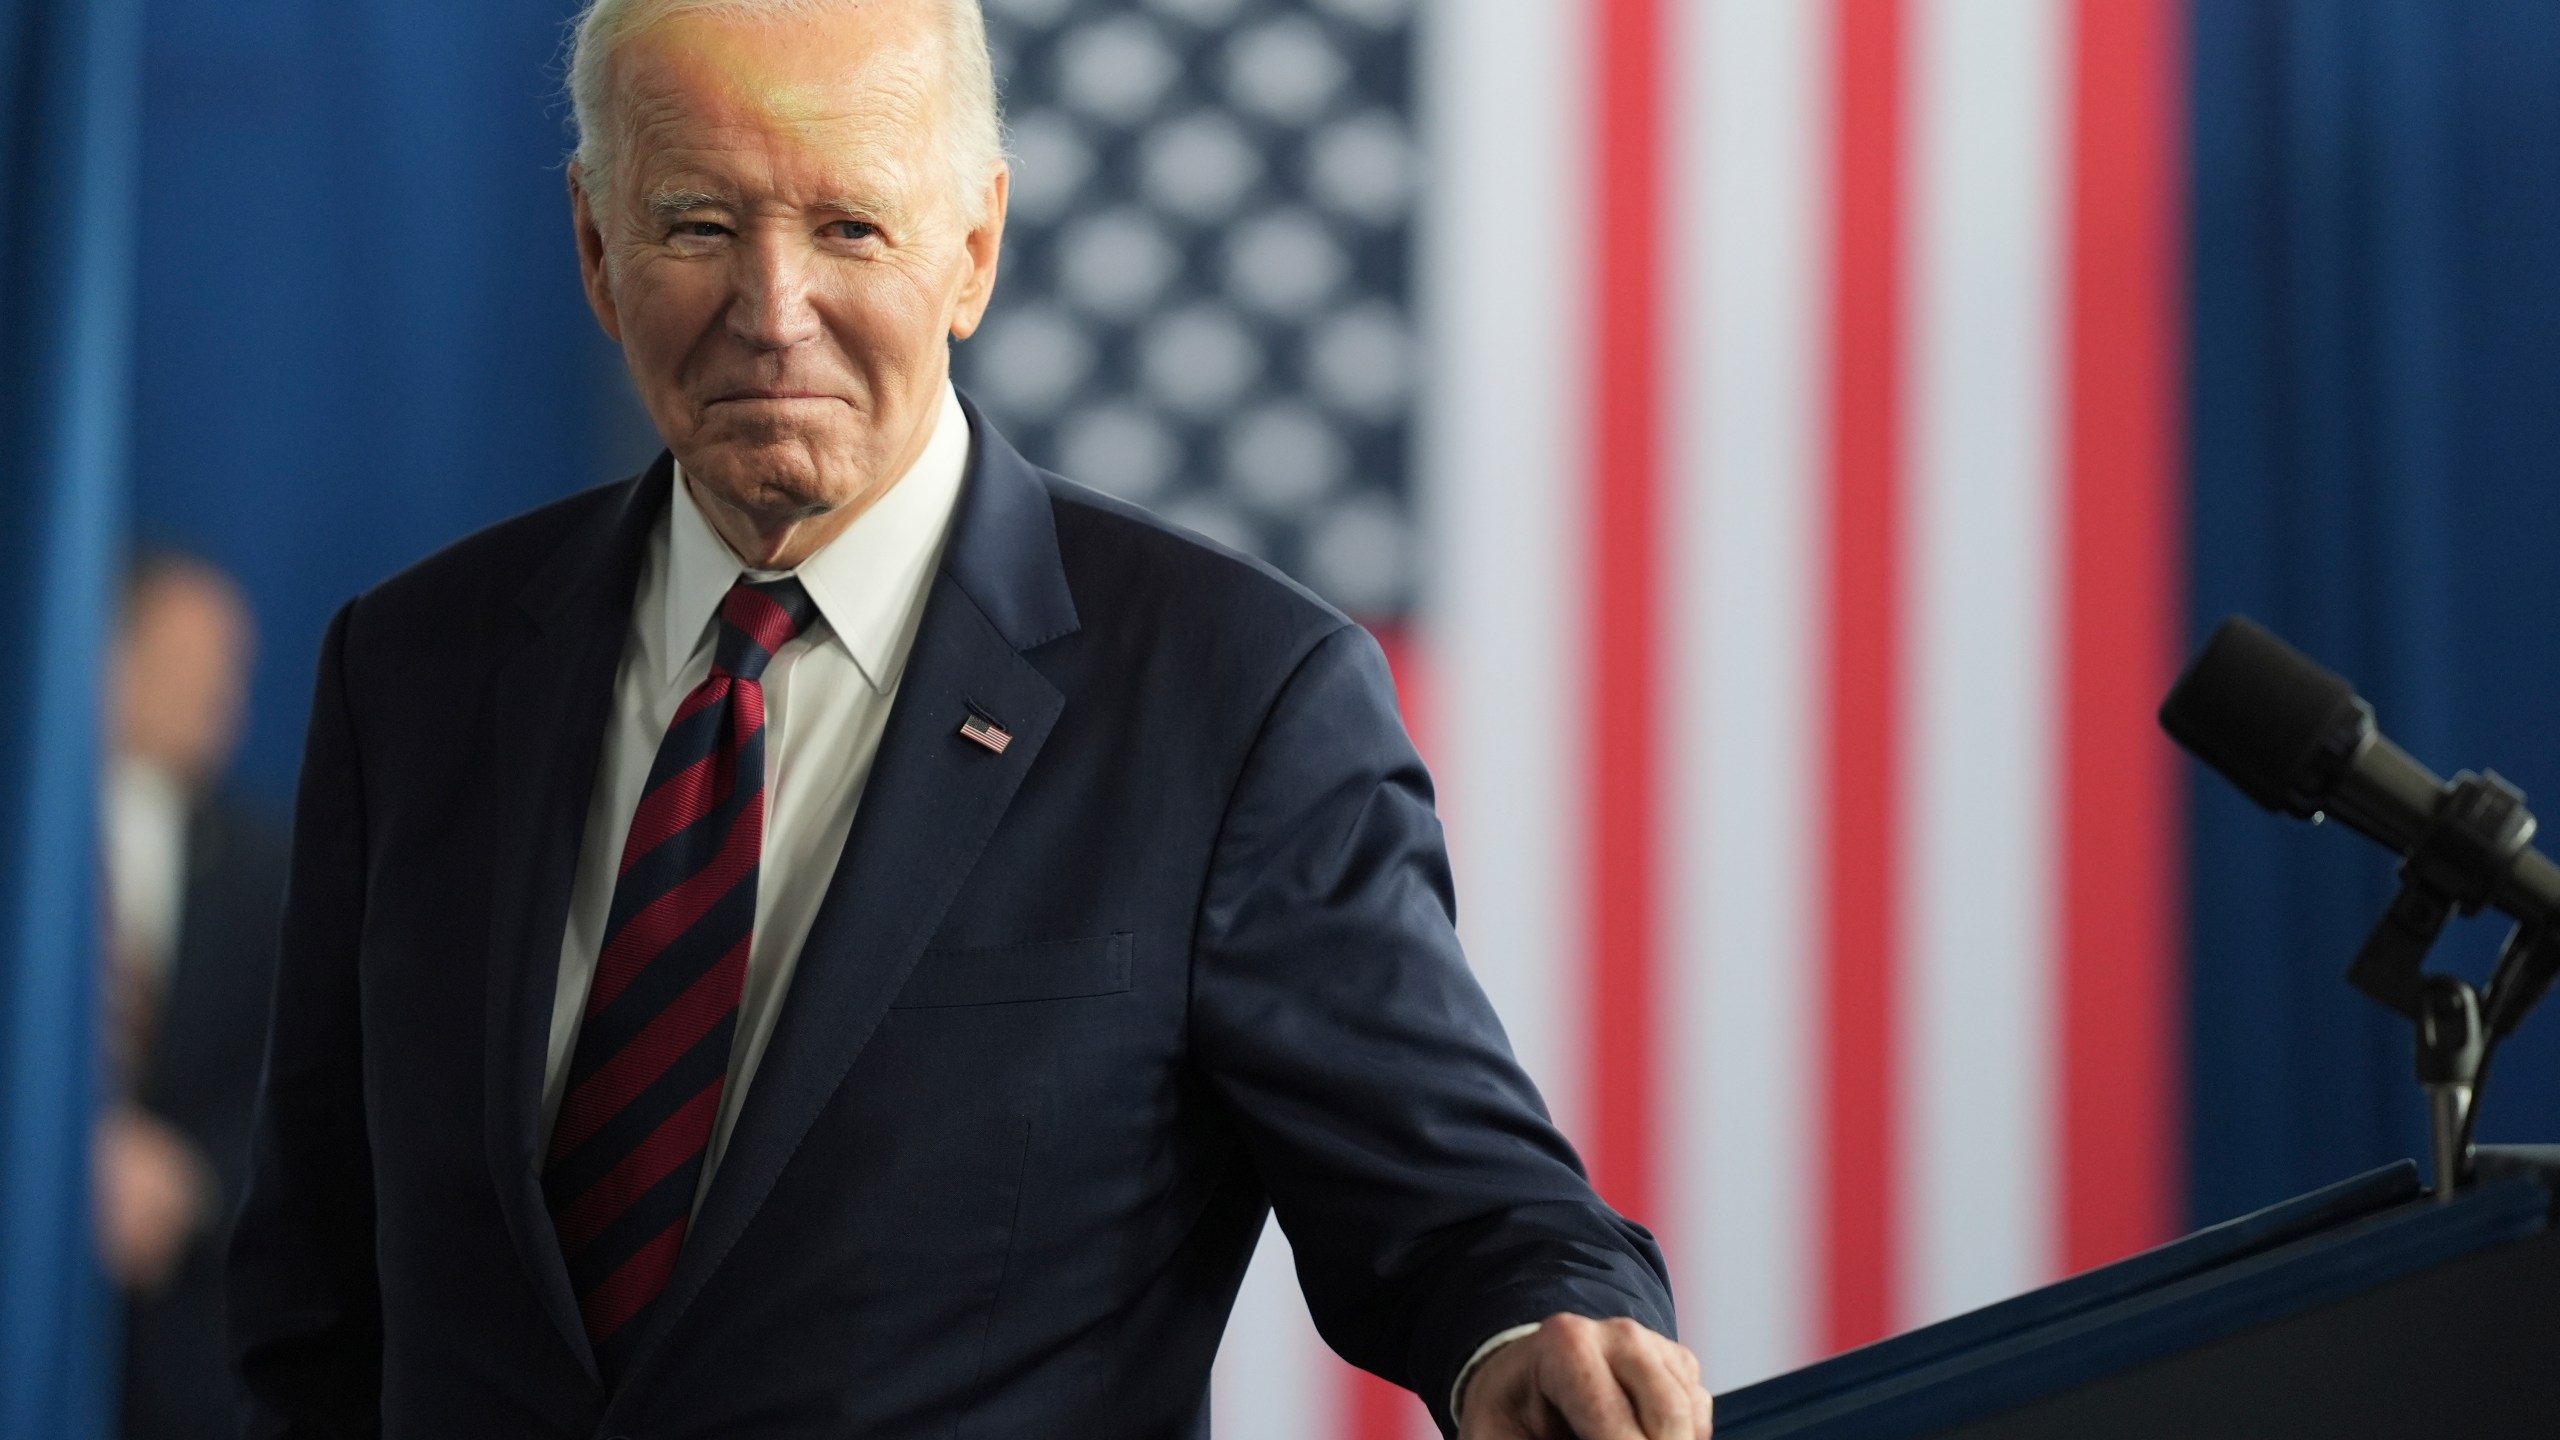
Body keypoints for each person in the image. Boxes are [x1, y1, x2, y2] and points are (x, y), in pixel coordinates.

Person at [227, 1, 1709, 1435]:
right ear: (596, 247)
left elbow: (1471, 1215)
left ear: (974, 249)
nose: (772, 309)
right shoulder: (412, 668)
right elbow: (316, 1299)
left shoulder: (1233, 696)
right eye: (697, 223)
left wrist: (1539, 1328)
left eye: (849, 226)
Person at [98, 553, 288, 1440]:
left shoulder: (266, 865)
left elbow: (299, 1079)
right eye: (194, 660)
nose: (224, 690)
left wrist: (189, 1178)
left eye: (234, 663)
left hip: (189, 1350)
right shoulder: (29, 840)